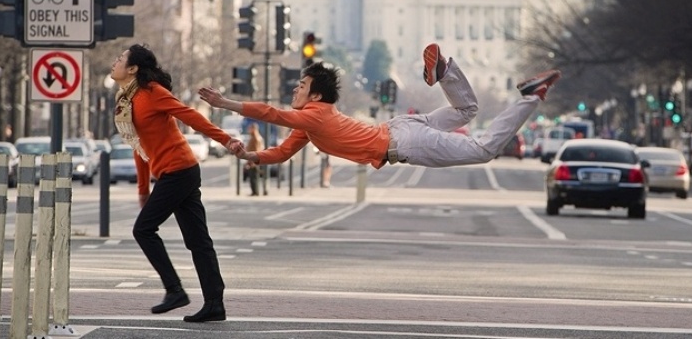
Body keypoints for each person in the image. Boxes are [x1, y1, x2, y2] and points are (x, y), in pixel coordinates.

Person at [199, 43, 560, 170]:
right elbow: (279, 154)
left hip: (405, 142)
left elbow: (271, 114)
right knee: (466, 112)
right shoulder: (310, 124)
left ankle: (530, 95)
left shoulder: (314, 115)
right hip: (402, 129)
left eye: (302, 86)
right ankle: (444, 70)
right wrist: (247, 156)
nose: (295, 89)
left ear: (317, 96)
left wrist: (225, 102)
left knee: (483, 150)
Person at [110, 44, 244, 323]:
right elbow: (138, 145)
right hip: (173, 172)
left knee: (144, 230)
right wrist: (143, 188)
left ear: (133, 68)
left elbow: (191, 116)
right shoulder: (127, 100)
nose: (115, 61)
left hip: (180, 170)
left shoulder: (152, 93)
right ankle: (214, 304)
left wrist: (226, 139)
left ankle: (175, 290)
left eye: (120, 59)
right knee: (198, 241)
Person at [243, 123, 265, 195]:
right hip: (253, 159)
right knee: (253, 176)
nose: (249, 130)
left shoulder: (255, 138)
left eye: (250, 128)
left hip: (254, 159)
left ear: (254, 129)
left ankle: (255, 192)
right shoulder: (255, 137)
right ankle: (255, 191)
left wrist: (253, 161)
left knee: (254, 177)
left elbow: (256, 149)